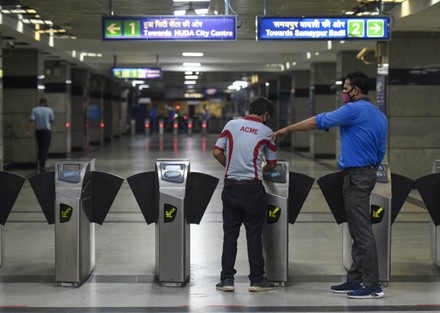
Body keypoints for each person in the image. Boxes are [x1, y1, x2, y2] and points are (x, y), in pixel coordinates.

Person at [271, 70, 387, 299]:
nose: (343, 92)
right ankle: (355, 279)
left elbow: (319, 120)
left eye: (346, 88)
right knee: (357, 228)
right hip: (368, 172)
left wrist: (287, 129)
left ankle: (373, 285)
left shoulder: (353, 110)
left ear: (356, 90)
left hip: (356, 176)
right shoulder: (378, 114)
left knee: (362, 231)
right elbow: (381, 149)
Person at [212, 96, 278, 293]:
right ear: (266, 114)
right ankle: (257, 280)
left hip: (231, 187)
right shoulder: (267, 132)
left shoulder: (231, 125)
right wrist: (262, 169)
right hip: (253, 189)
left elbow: (217, 152)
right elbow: (272, 164)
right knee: (254, 235)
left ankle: (227, 280)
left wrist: (231, 168)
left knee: (230, 235)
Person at [27, 98, 54, 172]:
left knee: (40, 147)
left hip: (38, 131)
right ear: (46, 103)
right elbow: (51, 120)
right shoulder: (49, 110)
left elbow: (32, 121)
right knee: (45, 148)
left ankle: (40, 163)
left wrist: (29, 131)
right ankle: (42, 165)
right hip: (46, 131)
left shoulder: (34, 109)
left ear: (40, 102)